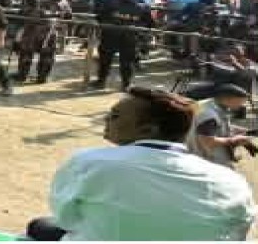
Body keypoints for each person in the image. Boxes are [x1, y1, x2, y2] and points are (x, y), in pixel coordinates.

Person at [26, 87, 254, 241]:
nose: (106, 120)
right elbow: (238, 232)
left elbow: (67, 218)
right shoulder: (232, 181)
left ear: (148, 129)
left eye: (115, 116)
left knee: (42, 226)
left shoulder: (90, 162)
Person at [186, 84, 258, 169]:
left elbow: (216, 126)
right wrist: (233, 141)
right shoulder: (209, 115)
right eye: (240, 102)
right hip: (209, 162)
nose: (242, 105)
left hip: (196, 156)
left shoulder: (206, 104)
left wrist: (243, 131)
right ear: (229, 99)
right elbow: (208, 142)